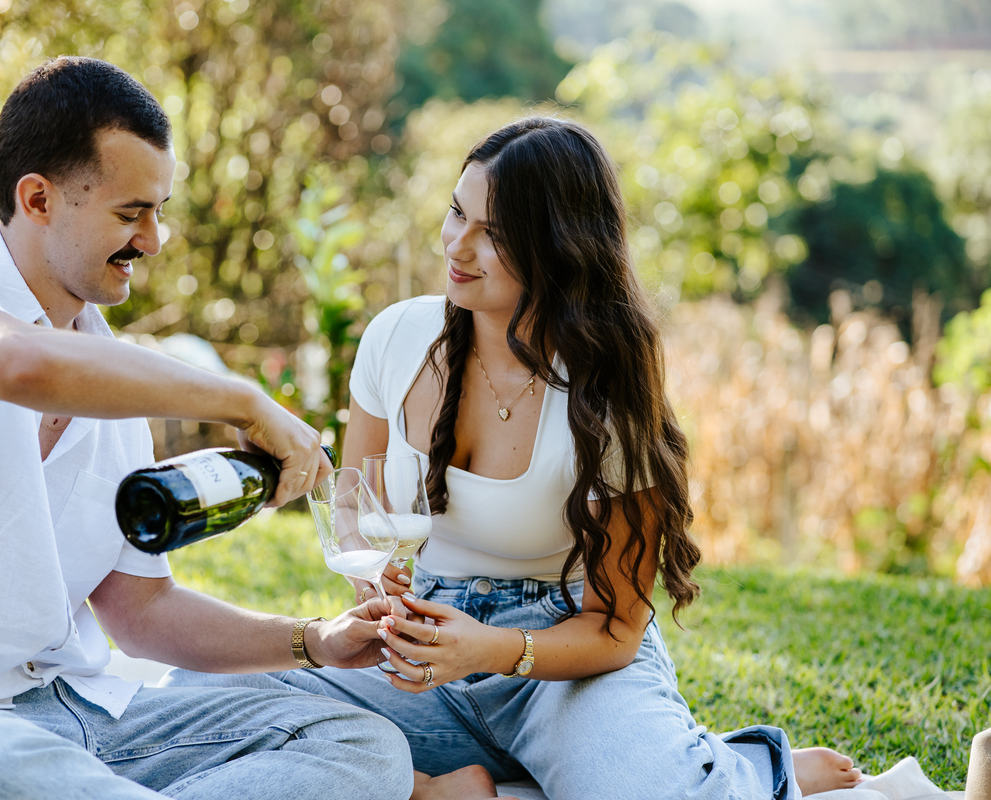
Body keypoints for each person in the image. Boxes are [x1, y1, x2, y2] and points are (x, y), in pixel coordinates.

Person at [165, 117, 864, 800]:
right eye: (456, 213)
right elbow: (355, 495)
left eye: (493, 233)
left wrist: (495, 651)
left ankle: (744, 766)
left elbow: (617, 628)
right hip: (422, 653)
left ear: (559, 247)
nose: (458, 246)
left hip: (564, 666)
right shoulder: (396, 339)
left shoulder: (608, 389)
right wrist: (372, 574)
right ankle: (431, 786)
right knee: (201, 687)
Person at [0, 57, 414, 800]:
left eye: (159, 210)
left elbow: (142, 613)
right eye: (131, 214)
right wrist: (243, 401)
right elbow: (19, 364)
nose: (155, 241)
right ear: (39, 199)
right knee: (14, 768)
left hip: (81, 715)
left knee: (357, 744)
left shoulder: (107, 367)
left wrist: (312, 640)